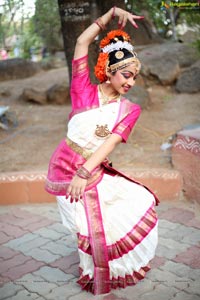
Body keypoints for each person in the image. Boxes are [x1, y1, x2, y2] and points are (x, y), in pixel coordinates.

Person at [45, 6, 159, 295]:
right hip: (62, 166)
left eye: (134, 77)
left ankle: (104, 272)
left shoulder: (130, 109)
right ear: (110, 71)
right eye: (126, 75)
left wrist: (84, 172)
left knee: (129, 204)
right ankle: (94, 266)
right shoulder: (82, 89)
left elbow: (110, 143)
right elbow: (82, 43)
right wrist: (108, 15)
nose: (130, 82)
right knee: (76, 224)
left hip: (91, 170)